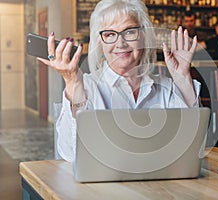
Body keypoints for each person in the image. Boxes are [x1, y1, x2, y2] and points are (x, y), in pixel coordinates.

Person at [37, 0, 200, 162]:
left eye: (129, 32)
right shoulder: (86, 87)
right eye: (109, 34)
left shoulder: (166, 87)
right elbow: (71, 154)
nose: (120, 43)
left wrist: (182, 78)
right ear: (100, 43)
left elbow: (192, 144)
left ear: (143, 36)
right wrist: (72, 83)